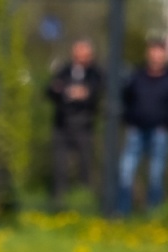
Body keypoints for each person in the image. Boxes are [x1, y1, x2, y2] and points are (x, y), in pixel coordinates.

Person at [118, 40, 168, 217]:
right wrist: (129, 120)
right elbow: (125, 99)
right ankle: (122, 212)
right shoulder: (137, 76)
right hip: (136, 130)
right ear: (148, 55)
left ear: (165, 56)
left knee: (156, 175)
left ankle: (153, 215)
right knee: (125, 172)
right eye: (153, 54)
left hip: (160, 132)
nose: (156, 58)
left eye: (160, 54)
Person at [45, 40, 104, 210]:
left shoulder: (95, 73)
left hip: (84, 124)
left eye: (84, 55)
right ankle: (59, 203)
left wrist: (84, 93)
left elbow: (97, 91)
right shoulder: (63, 70)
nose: (80, 58)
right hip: (63, 123)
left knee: (85, 166)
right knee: (60, 167)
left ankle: (84, 202)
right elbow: (51, 89)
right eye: (78, 54)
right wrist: (64, 92)